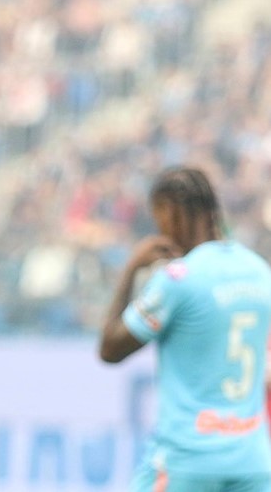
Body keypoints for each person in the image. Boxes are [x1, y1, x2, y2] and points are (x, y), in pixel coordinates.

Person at [98, 166, 271, 491]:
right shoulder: (260, 272)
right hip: (253, 461)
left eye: (159, 220)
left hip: (189, 460)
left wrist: (132, 268)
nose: (161, 232)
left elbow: (110, 349)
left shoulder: (179, 279)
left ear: (171, 213)